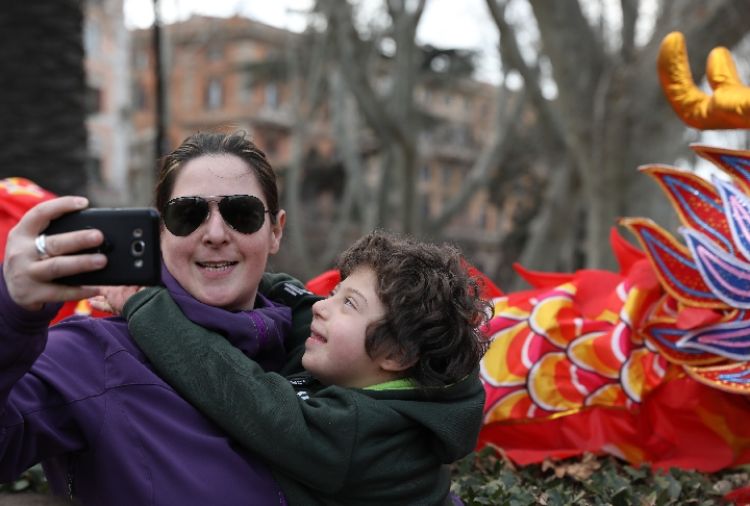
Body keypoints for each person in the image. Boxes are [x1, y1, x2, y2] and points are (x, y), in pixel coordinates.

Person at [0, 131, 319, 505]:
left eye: (241, 214)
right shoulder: (92, 356)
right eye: (188, 215)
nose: (215, 234)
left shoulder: (321, 351)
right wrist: (11, 313)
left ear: (275, 231)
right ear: (161, 233)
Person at [122, 229, 491, 506]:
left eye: (349, 303)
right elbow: (299, 304)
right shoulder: (367, 372)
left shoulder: (358, 435)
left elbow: (243, 394)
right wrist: (225, 275)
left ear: (397, 354)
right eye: (333, 293)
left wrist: (146, 304)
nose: (321, 307)